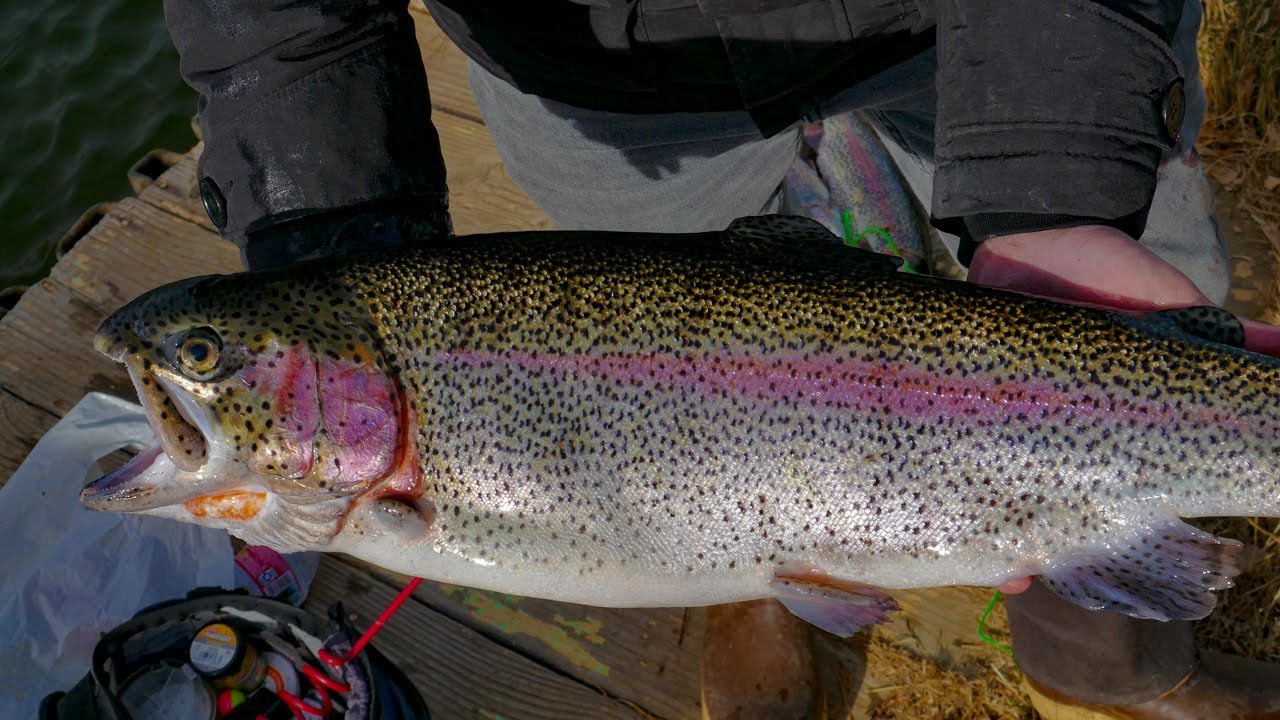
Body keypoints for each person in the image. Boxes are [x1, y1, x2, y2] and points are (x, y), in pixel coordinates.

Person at [161, 0, 1280, 716]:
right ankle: (751, 585)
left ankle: (1112, 676)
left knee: (1106, 298)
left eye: (205, 358)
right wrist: (334, 254)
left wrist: (1061, 174)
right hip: (596, 92)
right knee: (695, 394)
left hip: (1016, 36)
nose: (179, 386)